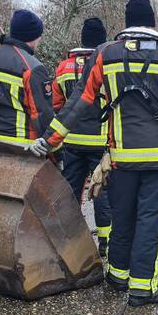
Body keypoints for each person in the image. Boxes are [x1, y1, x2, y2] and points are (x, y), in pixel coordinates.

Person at [30, 0, 158, 306]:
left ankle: (117, 276)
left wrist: (50, 139)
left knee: (122, 217)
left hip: (122, 158)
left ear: (126, 23)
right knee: (151, 222)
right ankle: (143, 289)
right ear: (152, 22)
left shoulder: (106, 54)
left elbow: (79, 102)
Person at [54, 18, 112, 256]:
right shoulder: (106, 63)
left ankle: (70, 240)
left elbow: (57, 104)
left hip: (71, 141)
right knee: (102, 191)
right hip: (100, 141)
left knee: (70, 191)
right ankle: (106, 242)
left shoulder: (64, 67)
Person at [0, 9, 52, 146]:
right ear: (32, 37)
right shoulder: (32, 68)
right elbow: (41, 116)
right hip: (23, 146)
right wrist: (55, 152)